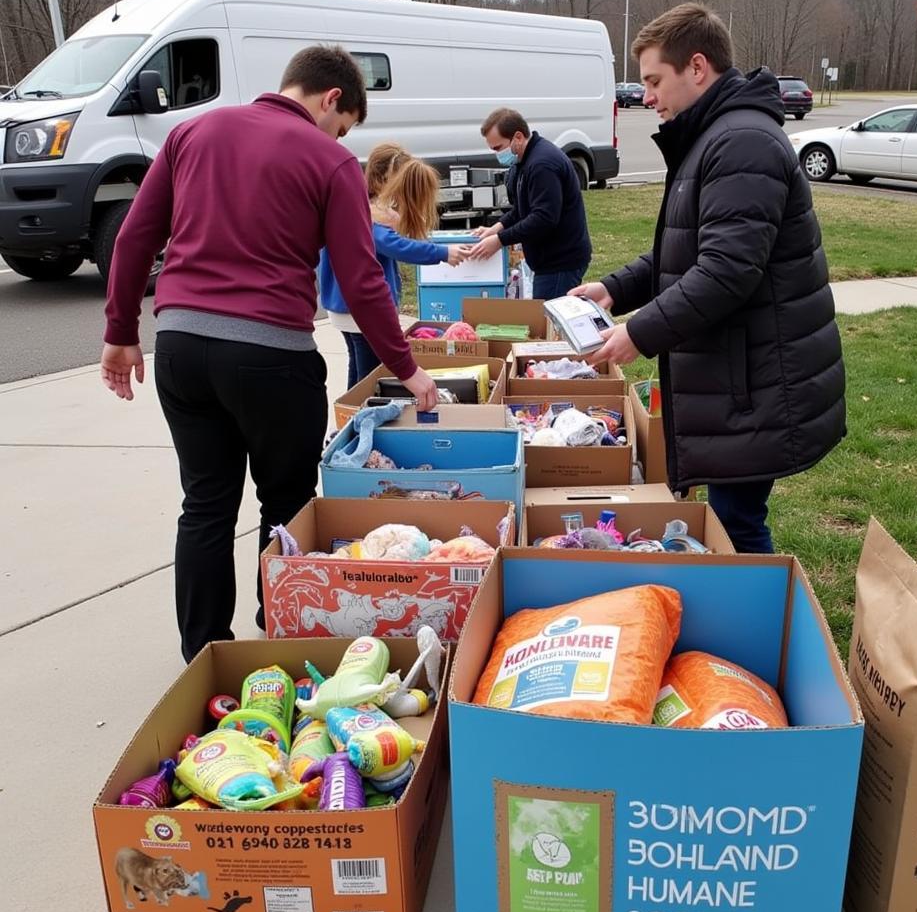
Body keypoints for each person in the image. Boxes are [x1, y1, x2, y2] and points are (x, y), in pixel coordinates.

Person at [99, 44, 439, 662]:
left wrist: (120, 332)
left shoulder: (191, 133)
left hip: (181, 345)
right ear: (332, 99)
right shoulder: (329, 160)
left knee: (204, 502)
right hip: (270, 353)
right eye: (344, 124)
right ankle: (279, 635)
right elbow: (363, 280)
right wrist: (406, 367)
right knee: (284, 499)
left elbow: (134, 238)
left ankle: (203, 656)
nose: (340, 135)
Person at [572, 4, 845, 553]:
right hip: (738, 378)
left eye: (654, 80)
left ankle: (759, 631)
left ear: (697, 68)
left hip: (755, 382)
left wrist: (639, 333)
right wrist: (616, 289)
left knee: (736, 524)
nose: (646, 96)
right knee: (731, 520)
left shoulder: (741, 141)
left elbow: (725, 272)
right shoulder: (712, 135)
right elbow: (686, 254)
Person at [319, 144, 472, 389]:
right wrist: (443, 252)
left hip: (342, 307)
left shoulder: (355, 206)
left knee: (359, 371)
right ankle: (358, 420)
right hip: (359, 310)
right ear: (384, 180)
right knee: (370, 377)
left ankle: (349, 418)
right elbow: (396, 246)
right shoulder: (369, 216)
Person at [467, 108, 592, 300]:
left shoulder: (542, 165)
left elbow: (544, 218)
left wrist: (499, 240)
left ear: (517, 137)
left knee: (549, 322)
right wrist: (496, 228)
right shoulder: (524, 161)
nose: (496, 154)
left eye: (498, 148)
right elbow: (523, 209)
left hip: (560, 262)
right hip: (547, 261)